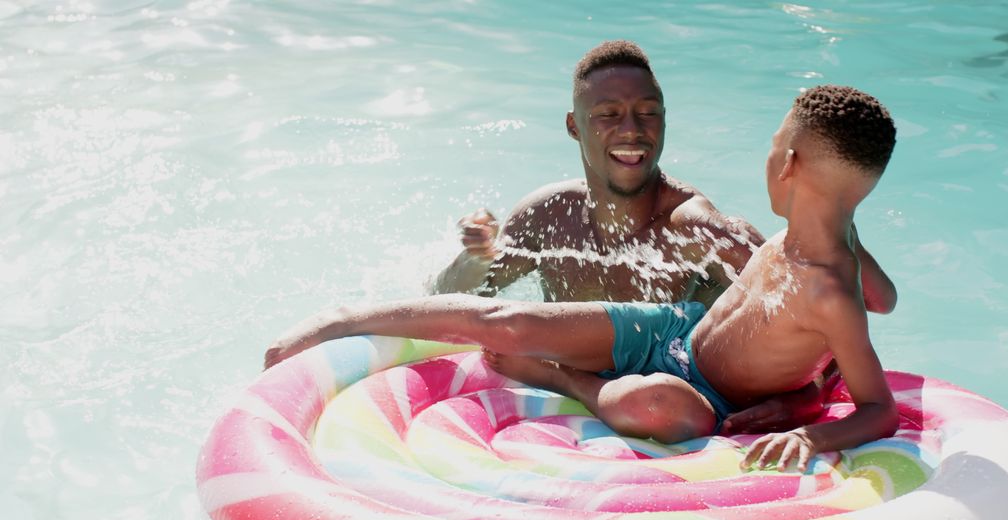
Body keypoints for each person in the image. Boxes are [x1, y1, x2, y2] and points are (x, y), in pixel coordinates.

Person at [265, 85, 901, 471]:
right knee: (506, 322)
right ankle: (343, 319)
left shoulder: (829, 287)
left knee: (656, 405)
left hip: (713, 397)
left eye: (772, 144)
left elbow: (878, 410)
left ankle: (562, 378)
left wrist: (810, 430)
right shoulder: (835, 240)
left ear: (788, 163)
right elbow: (886, 298)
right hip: (671, 330)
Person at [431, 40, 763, 307]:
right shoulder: (549, 218)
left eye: (648, 113)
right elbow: (442, 299)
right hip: (562, 382)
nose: (632, 130)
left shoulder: (695, 230)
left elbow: (790, 295)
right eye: (608, 114)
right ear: (574, 126)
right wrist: (478, 259)